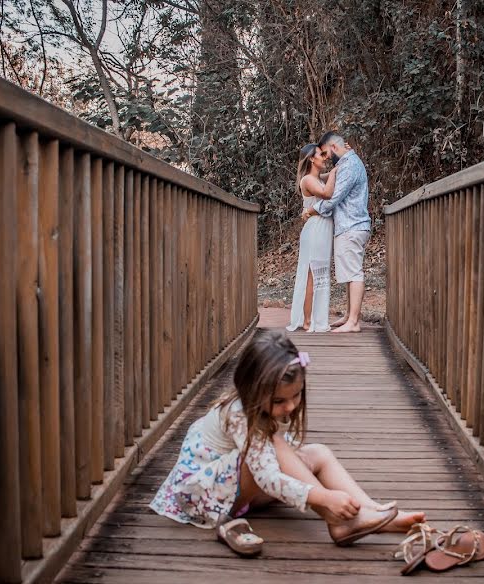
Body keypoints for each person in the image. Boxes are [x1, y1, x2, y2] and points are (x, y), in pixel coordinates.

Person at [149, 330, 426, 552]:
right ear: (252, 390)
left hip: (232, 488)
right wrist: (324, 497)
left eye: (296, 396)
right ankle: (340, 520)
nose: (291, 406)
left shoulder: (262, 410)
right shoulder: (237, 415)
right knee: (274, 445)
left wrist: (303, 465)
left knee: (317, 452)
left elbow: (285, 458)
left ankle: (369, 510)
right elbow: (268, 476)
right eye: (280, 401)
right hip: (203, 498)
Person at [302, 131, 371, 333]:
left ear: (333, 147)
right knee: (349, 273)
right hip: (349, 225)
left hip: (352, 225)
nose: (326, 157)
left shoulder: (349, 165)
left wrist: (311, 210)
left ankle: (354, 322)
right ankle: (349, 317)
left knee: (354, 273)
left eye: (325, 153)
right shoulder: (346, 163)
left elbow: (333, 198)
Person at [286, 143, 337, 332]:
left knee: (320, 274)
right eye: (320, 155)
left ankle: (315, 318)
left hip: (322, 229)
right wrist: (333, 174)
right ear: (311, 159)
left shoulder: (317, 177)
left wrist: (342, 160)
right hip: (315, 230)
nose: (324, 157)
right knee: (311, 276)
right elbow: (326, 193)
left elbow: (330, 178)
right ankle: (308, 321)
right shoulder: (307, 180)